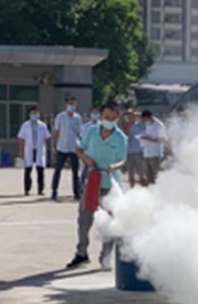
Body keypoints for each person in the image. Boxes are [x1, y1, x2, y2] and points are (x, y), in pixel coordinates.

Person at [67, 101, 127, 271]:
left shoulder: (120, 137)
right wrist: (87, 160)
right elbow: (79, 149)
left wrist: (114, 166)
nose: (110, 120)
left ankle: (105, 257)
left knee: (109, 223)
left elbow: (123, 160)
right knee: (84, 219)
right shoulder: (92, 132)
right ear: (101, 116)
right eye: (107, 117)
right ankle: (81, 253)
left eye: (113, 117)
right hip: (92, 181)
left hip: (110, 185)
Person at [51, 97, 83, 201]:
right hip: (62, 147)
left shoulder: (78, 118)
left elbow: (80, 133)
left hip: (74, 148)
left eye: (73, 104)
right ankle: (54, 191)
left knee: (75, 172)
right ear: (66, 105)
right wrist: (55, 143)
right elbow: (56, 131)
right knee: (57, 170)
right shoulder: (60, 117)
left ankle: (76, 192)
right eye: (70, 104)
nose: (71, 106)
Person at [18, 107, 51, 196]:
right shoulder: (25, 125)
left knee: (40, 170)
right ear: (29, 114)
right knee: (28, 169)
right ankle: (27, 189)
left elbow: (47, 137)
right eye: (33, 113)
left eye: (36, 113)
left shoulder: (42, 126)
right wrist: (21, 151)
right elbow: (21, 139)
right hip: (29, 149)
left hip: (39, 149)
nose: (34, 115)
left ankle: (40, 189)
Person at [139, 110, 167, 185]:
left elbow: (162, 139)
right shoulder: (148, 125)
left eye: (145, 119)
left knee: (157, 177)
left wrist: (148, 139)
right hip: (147, 153)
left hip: (155, 154)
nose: (145, 122)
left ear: (150, 117)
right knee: (149, 178)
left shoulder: (159, 125)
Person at [122, 111, 145, 188]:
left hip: (138, 151)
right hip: (129, 151)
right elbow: (124, 135)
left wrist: (135, 114)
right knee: (130, 172)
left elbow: (143, 117)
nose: (130, 118)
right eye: (129, 117)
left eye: (132, 116)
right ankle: (132, 189)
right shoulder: (126, 125)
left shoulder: (140, 124)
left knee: (141, 172)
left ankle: (144, 188)